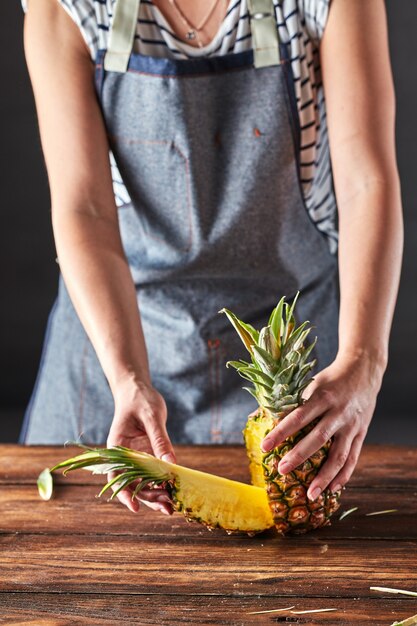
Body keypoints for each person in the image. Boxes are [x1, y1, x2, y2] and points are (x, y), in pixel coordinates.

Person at [19, 0, 403, 517]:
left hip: (287, 368)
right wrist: (128, 375)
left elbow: (366, 182)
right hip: (119, 355)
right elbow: (84, 209)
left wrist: (364, 360)